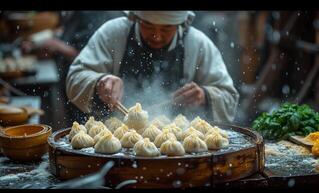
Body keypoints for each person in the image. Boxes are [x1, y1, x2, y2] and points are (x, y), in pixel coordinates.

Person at [66, 11, 239, 123]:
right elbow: (75, 77)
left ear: (182, 23)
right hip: (115, 143)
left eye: (166, 29)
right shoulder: (114, 34)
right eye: (147, 26)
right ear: (135, 18)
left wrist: (204, 96)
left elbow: (229, 98)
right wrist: (99, 83)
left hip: (178, 151)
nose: (156, 36)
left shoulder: (197, 44)